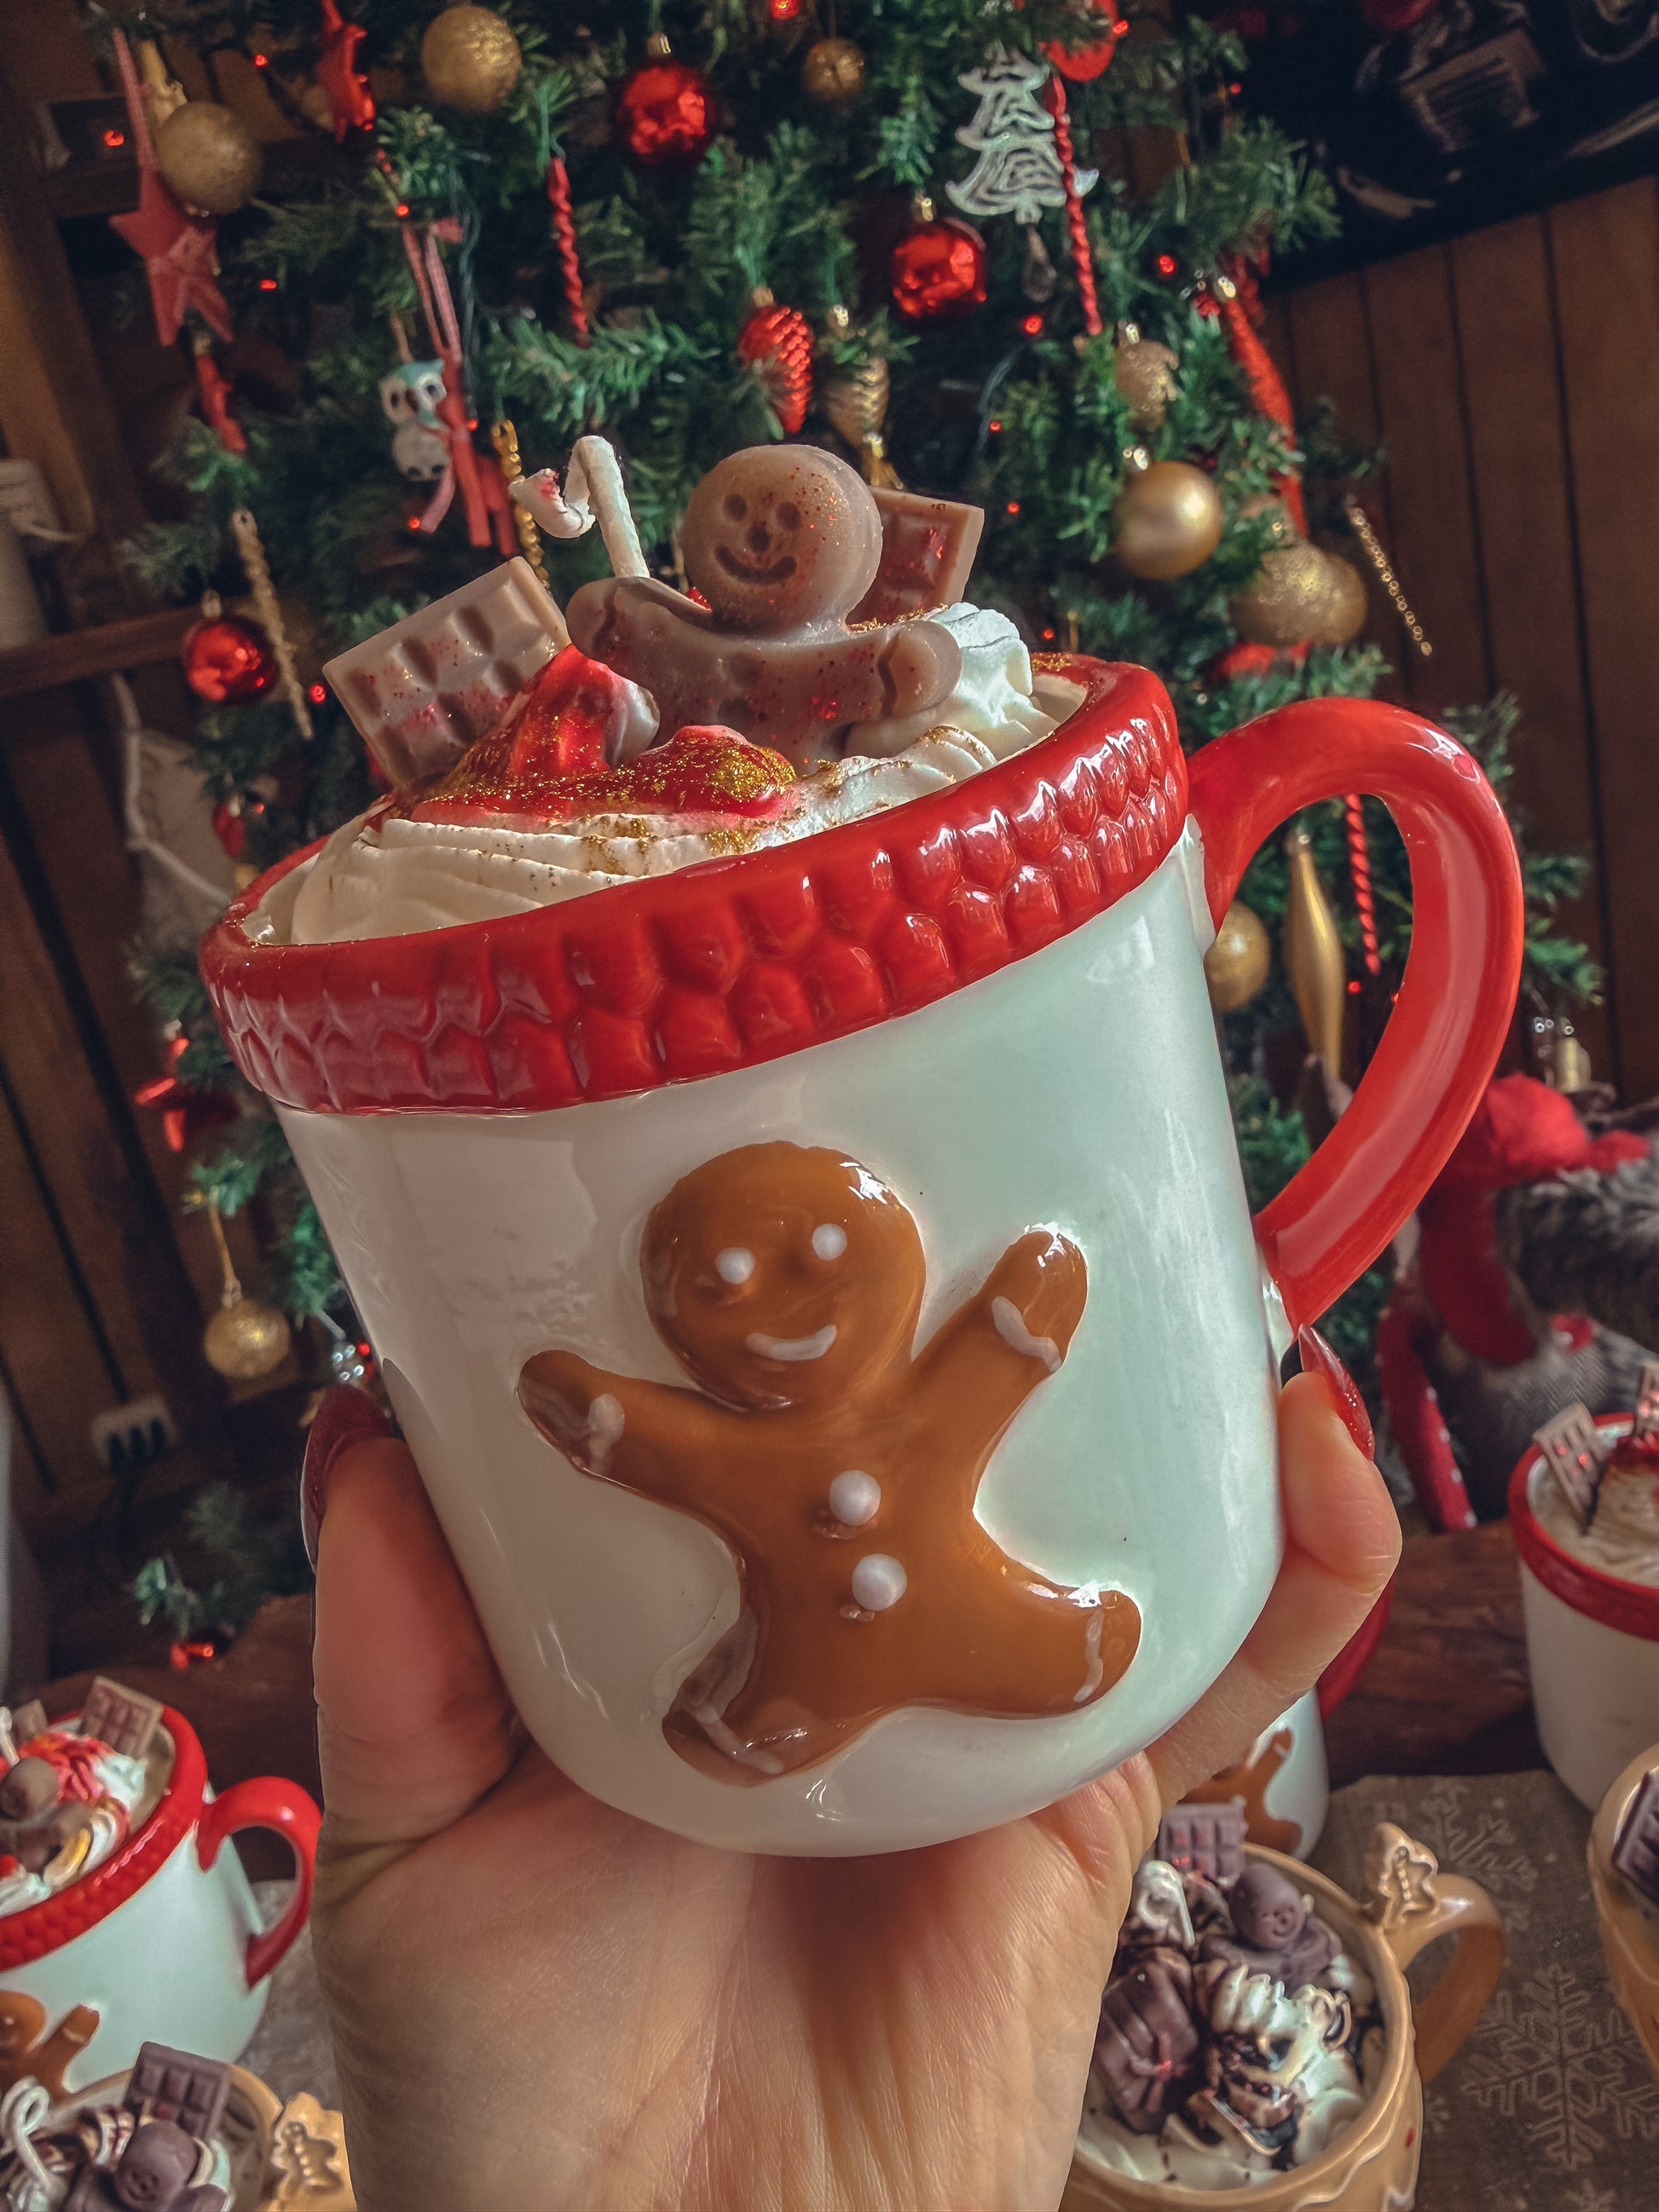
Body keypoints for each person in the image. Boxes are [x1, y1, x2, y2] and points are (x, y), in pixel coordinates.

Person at [304, 1328, 1397, 2212]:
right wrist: (602, 1417)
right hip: (782, 1696)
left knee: (1031, 1642)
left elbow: (978, 1373)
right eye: (723, 1284)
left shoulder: (908, 1418)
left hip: (968, 1640)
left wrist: (1016, 1325)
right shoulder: (757, 1460)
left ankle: (1052, 1649)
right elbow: (671, 1446)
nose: (761, 1303)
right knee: (787, 1700)